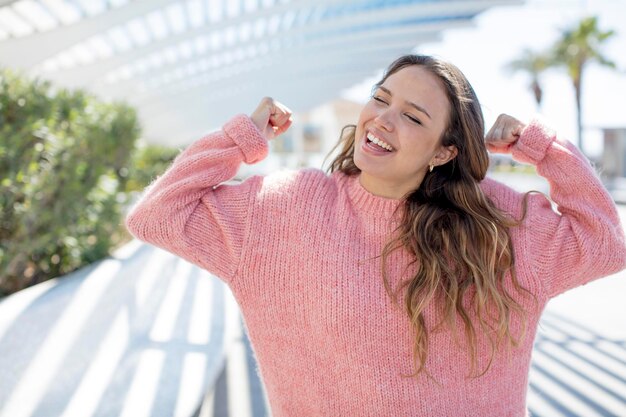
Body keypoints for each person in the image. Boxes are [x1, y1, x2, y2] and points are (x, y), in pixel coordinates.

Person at [125, 54, 626, 416]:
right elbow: (158, 215)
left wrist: (544, 149)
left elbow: (604, 244)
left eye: (412, 116)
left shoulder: (500, 224)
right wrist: (240, 138)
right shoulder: (283, 209)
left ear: (444, 152)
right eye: (380, 98)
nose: (382, 119)